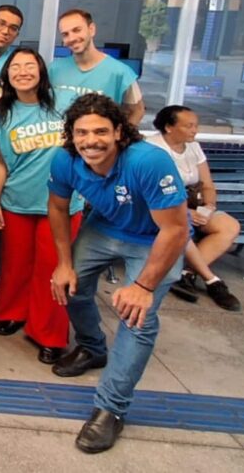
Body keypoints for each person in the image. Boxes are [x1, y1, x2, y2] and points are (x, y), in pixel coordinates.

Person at [48, 94, 188, 454]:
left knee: (137, 318)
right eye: (82, 133)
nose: (90, 141)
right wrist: (64, 263)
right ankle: (93, 348)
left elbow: (176, 229)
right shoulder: (65, 159)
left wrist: (143, 285)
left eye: (100, 131)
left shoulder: (148, 161)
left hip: (154, 239)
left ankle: (111, 408)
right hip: (105, 227)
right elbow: (58, 207)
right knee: (71, 286)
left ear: (119, 133)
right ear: (71, 135)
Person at [0, 49, 81, 365]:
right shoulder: (2, 113)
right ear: (7, 75)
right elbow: (0, 161)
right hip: (17, 200)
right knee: (15, 264)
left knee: (53, 269)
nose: (23, 72)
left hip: (63, 204)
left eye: (30, 65)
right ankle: (12, 312)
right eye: (15, 67)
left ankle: (49, 335)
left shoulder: (65, 103)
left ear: (41, 71)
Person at [148, 106, 241, 311]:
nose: (194, 130)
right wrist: (186, 212)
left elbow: (207, 185)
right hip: (162, 208)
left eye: (196, 126)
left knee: (229, 226)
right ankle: (211, 279)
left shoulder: (193, 147)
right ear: (169, 127)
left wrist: (208, 208)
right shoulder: (152, 149)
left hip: (193, 204)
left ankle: (187, 273)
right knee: (180, 227)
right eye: (189, 126)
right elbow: (152, 191)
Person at [50, 8, 145, 125]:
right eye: (65, 34)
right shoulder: (54, 69)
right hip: (60, 136)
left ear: (91, 29)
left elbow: (137, 111)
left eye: (77, 30)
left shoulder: (120, 72)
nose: (72, 38)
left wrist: (122, 135)